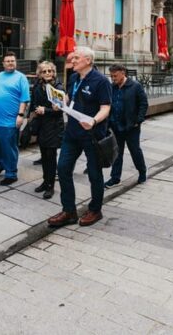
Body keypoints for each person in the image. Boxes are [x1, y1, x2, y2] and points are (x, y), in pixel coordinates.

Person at [48, 46, 112, 228]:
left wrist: (93, 121)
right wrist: (60, 103)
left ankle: (95, 210)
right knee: (63, 168)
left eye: (76, 58)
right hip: (72, 133)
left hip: (92, 135)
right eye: (73, 58)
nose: (72, 60)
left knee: (94, 173)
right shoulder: (75, 77)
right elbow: (70, 96)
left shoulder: (101, 81)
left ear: (88, 61)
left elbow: (105, 108)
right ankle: (69, 211)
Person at [0, 51, 30, 186]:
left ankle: (11, 173)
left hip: (8, 121)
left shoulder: (21, 78)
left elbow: (24, 99)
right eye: (8, 61)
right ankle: (0, 165)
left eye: (13, 60)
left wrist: (21, 115)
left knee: (8, 148)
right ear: (3, 63)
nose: (10, 63)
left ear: (15, 63)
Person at [105, 64, 148, 188]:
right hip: (116, 126)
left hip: (131, 127)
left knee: (135, 151)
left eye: (115, 76)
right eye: (111, 76)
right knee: (117, 154)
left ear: (123, 73)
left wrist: (138, 120)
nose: (113, 78)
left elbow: (143, 104)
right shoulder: (112, 87)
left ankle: (142, 171)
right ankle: (115, 178)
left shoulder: (135, 86)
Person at [29, 61, 64, 199]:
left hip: (54, 126)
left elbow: (60, 109)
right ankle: (45, 181)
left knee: (51, 156)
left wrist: (46, 110)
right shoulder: (37, 86)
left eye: (50, 71)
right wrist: (33, 112)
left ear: (54, 73)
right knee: (44, 155)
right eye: (44, 71)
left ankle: (51, 186)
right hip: (42, 125)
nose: (48, 73)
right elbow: (33, 103)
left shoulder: (58, 87)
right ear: (40, 74)